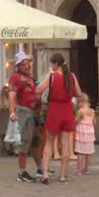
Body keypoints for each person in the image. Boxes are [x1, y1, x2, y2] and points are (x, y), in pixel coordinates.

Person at [36, 53, 81, 184]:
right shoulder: (72, 76)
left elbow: (38, 89)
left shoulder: (52, 76)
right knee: (66, 143)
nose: (51, 66)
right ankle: (62, 176)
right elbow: (78, 93)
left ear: (55, 64)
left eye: (51, 64)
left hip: (54, 110)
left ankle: (45, 173)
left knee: (49, 143)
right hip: (67, 110)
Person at [6, 51, 43, 182]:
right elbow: (12, 96)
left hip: (34, 114)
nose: (27, 66)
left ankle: (40, 169)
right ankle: (21, 172)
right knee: (25, 143)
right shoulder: (16, 78)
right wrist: (12, 111)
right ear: (18, 66)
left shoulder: (30, 77)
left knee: (36, 142)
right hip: (25, 114)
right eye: (23, 64)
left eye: (28, 64)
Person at [74, 94, 96, 175]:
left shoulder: (81, 111)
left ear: (81, 102)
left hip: (81, 135)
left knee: (80, 153)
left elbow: (76, 121)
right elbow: (94, 123)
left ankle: (78, 169)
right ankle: (87, 169)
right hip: (90, 135)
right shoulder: (92, 111)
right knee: (89, 153)